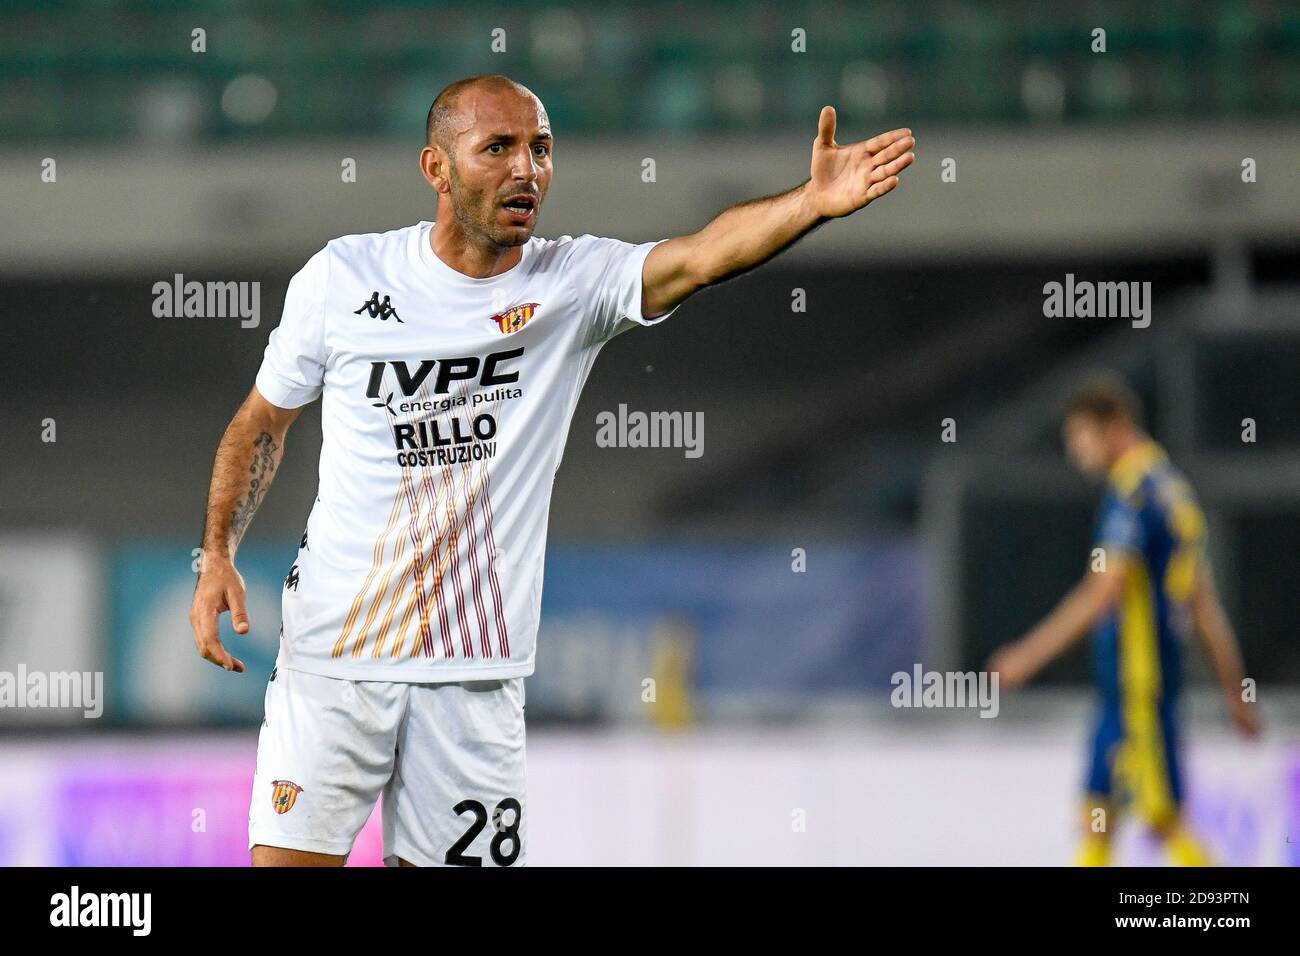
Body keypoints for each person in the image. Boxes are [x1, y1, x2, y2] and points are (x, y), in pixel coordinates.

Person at [187, 73, 916, 866]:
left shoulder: (573, 284)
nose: (526, 169)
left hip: (474, 675)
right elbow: (262, 421)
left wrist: (807, 204)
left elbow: (701, 257)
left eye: (540, 149)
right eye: (497, 148)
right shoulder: (344, 278)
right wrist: (217, 553)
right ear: (437, 168)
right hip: (333, 661)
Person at [989, 376, 1260, 866]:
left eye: (1079, 436)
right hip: (1129, 691)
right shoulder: (1172, 490)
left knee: (1162, 818)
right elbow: (1202, 602)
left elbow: (1104, 590)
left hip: (1139, 687)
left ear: (1113, 427)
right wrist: (1236, 689)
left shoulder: (1133, 494)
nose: (1075, 452)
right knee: (1097, 812)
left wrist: (1028, 654)